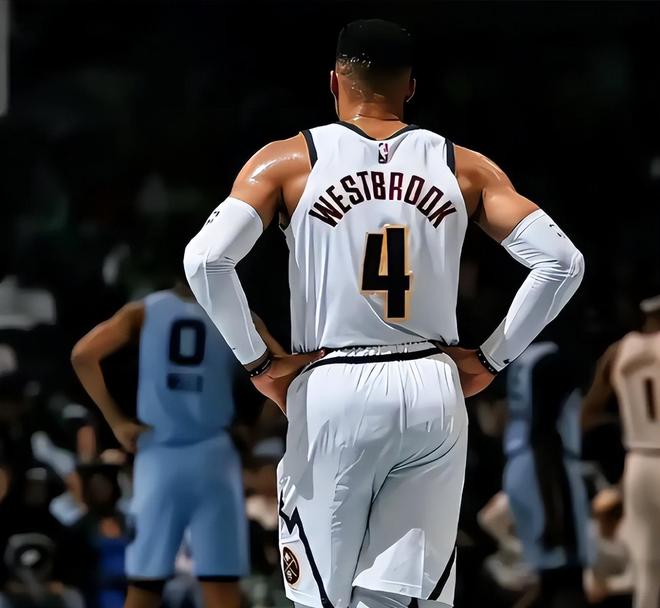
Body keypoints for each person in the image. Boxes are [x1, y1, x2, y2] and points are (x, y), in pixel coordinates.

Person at [184, 19, 584, 608]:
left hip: (335, 381)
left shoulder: (290, 160)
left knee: (320, 598)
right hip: (432, 383)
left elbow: (205, 261)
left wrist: (259, 364)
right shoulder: (464, 166)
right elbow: (562, 264)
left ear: (334, 81)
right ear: (411, 87)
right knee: (399, 599)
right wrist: (491, 359)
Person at [71, 281, 276, 608]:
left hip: (160, 455)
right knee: (222, 587)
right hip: (215, 455)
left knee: (145, 586)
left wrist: (117, 422)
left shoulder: (143, 311)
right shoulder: (234, 309)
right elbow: (280, 368)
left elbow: (82, 355)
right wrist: (256, 433)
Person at [582, 295, 660, 608]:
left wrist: (622, 421)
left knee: (647, 565)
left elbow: (588, 412)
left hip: (638, 461)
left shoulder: (619, 350)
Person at [503, 342, 590, 608]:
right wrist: (556, 513)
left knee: (545, 579)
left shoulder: (522, 358)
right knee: (563, 576)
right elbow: (545, 429)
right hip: (545, 469)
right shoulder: (550, 362)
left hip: (521, 460)